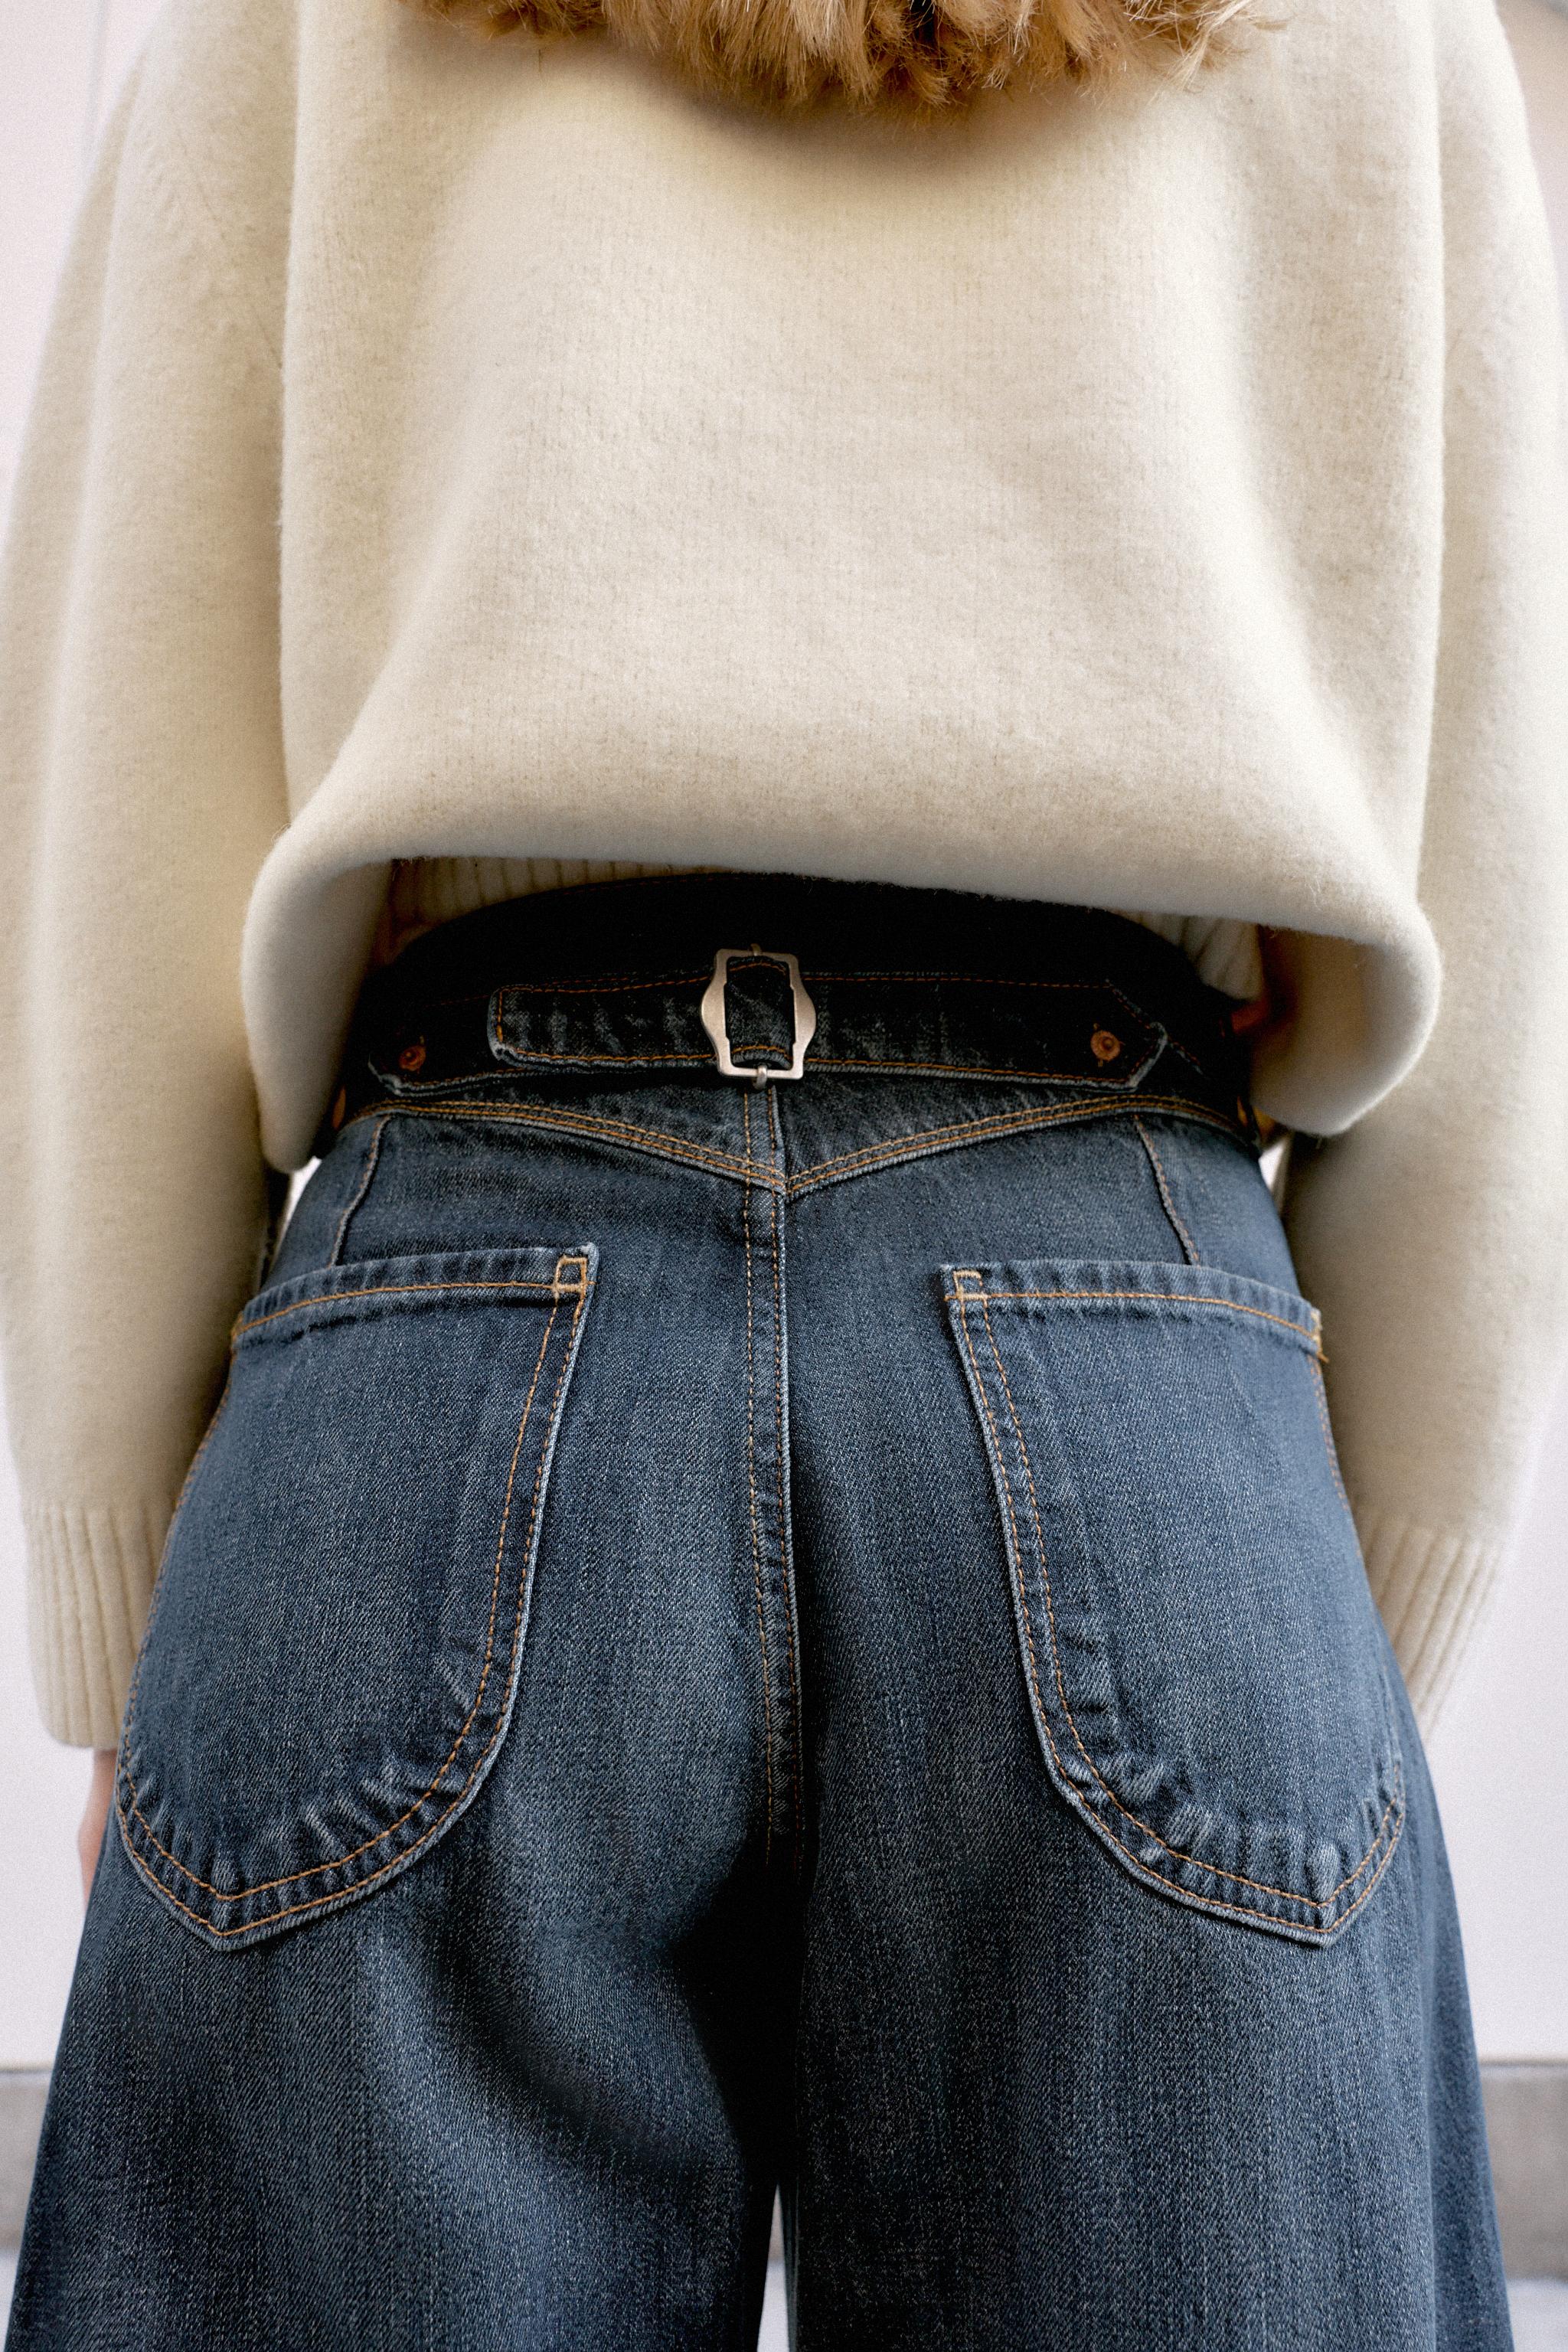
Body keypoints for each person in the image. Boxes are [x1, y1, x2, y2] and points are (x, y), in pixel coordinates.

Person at [2, 0, 1563, 2341]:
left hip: (441, 1338)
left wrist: (131, 1576)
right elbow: (1501, 835)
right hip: (1133, 1348)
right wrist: (1372, 1590)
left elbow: (124, 768)